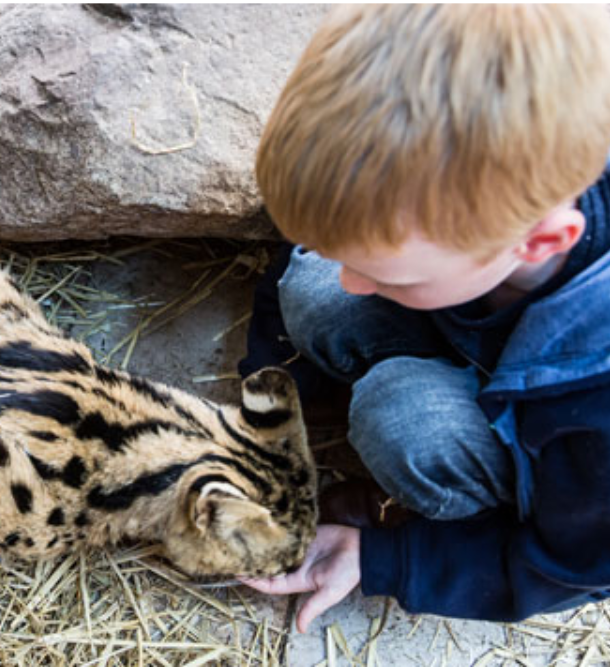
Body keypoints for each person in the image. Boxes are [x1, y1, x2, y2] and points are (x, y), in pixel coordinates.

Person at [236, 5, 610, 632]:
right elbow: (337, 251)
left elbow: (578, 564)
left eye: (391, 273)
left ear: (540, 242)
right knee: (316, 290)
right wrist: (266, 409)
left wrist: (386, 558)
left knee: (403, 414)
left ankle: (438, 514)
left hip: (562, 426)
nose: (356, 280)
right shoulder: (467, 205)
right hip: (493, 331)